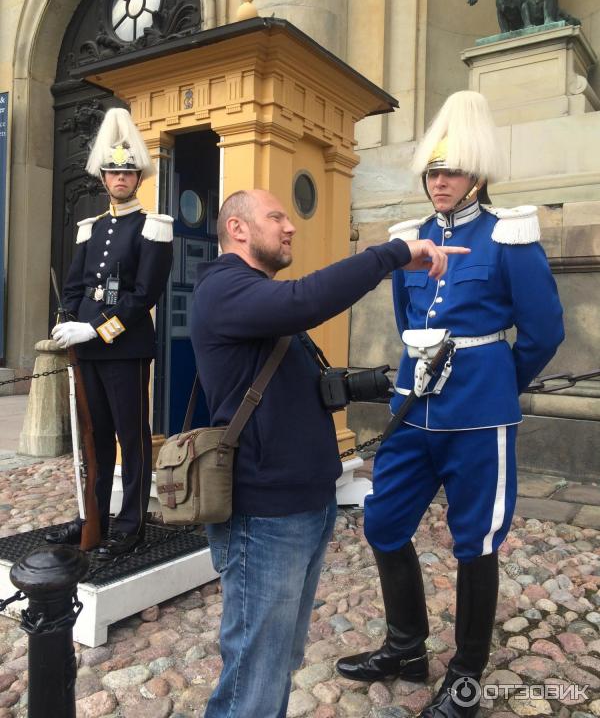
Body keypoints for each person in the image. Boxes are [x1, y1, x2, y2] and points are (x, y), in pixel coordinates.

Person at [190, 188, 470, 718]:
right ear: (238, 229)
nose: (290, 227)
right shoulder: (224, 287)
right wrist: (392, 253)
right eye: (276, 218)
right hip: (264, 514)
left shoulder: (256, 296)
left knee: (278, 660)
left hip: (304, 504)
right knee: (255, 668)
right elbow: (306, 300)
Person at [336, 91, 564, 718]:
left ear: (477, 175)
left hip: (477, 418)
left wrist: (493, 382)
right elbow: (413, 322)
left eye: (451, 170)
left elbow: (544, 332)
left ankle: (465, 677)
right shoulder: (410, 242)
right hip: (414, 412)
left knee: (476, 540)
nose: (439, 181)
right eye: (432, 171)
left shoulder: (508, 235)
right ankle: (406, 648)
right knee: (383, 523)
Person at [47, 108, 173, 556]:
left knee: (130, 436)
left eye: (128, 171)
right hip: (89, 351)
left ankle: (132, 524)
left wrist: (96, 329)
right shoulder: (90, 229)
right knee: (94, 438)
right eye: (113, 171)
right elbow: (77, 284)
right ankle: (92, 519)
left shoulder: (153, 228)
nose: (120, 178)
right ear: (102, 176)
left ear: (139, 177)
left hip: (125, 348)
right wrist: (68, 324)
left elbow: (144, 296)